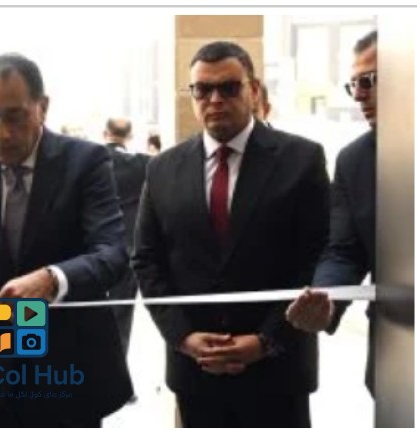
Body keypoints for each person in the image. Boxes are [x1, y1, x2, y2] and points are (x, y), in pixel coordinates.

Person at [0, 53, 133, 427]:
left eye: (14, 116)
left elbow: (113, 253)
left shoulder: (85, 162)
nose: (0, 133)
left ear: (43, 107)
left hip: (67, 372)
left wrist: (53, 279)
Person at [132, 41, 330, 427]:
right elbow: (147, 260)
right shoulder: (162, 169)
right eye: (202, 90)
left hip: (278, 372)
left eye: (228, 87)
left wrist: (266, 340)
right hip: (196, 370)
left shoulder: (302, 160)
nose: (215, 99)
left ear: (253, 90)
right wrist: (183, 336)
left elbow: (317, 256)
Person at [286, 30, 378, 394]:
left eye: (370, 80)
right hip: (400, 350)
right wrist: (326, 297)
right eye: (354, 84)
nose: (359, 95)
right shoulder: (354, 161)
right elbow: (344, 251)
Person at [103, 118, 150, 362]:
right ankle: (117, 367)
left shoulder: (91, 162)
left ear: (105, 133)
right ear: (129, 136)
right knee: (121, 313)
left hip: (93, 252)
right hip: (127, 249)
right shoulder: (142, 164)